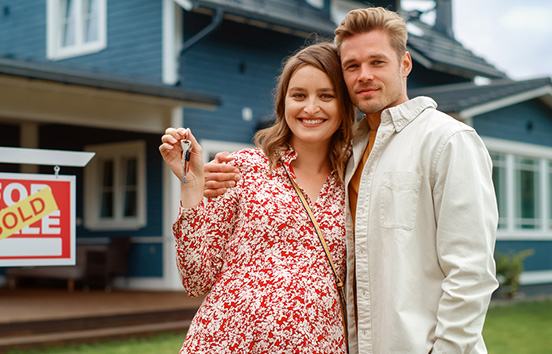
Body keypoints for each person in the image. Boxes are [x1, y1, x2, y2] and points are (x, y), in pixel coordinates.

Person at [203, 7, 499, 354]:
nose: (364, 76)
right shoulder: (350, 151)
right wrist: (209, 180)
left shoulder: (447, 141)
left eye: (377, 62)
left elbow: (471, 272)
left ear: (405, 64)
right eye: (352, 66)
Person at [159, 42, 356, 353]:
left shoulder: (357, 181)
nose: (310, 108)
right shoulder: (243, 168)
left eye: (326, 96)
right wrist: (191, 182)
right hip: (225, 342)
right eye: (299, 95)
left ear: (344, 105)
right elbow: (196, 278)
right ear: (283, 103)